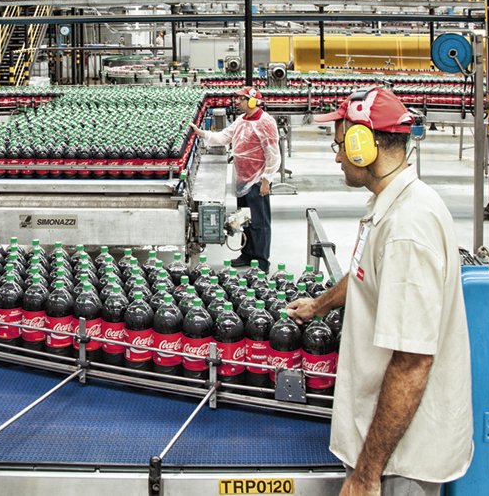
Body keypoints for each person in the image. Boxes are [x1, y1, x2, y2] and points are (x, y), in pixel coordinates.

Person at [287, 87, 472, 496]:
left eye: (339, 145)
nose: (336, 157)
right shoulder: (391, 205)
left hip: (401, 458)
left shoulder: (408, 227)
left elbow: (412, 363)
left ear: (363, 146)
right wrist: (318, 306)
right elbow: (363, 276)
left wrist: (367, 474)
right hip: (387, 444)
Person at [191, 87, 279, 270]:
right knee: (244, 219)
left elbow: (273, 154)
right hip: (243, 179)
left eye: (241, 99)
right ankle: (247, 255)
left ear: (252, 101)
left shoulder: (265, 122)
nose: (237, 102)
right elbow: (224, 137)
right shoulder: (242, 120)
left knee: (259, 223)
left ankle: (261, 262)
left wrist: (266, 180)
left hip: (257, 180)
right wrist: (201, 133)